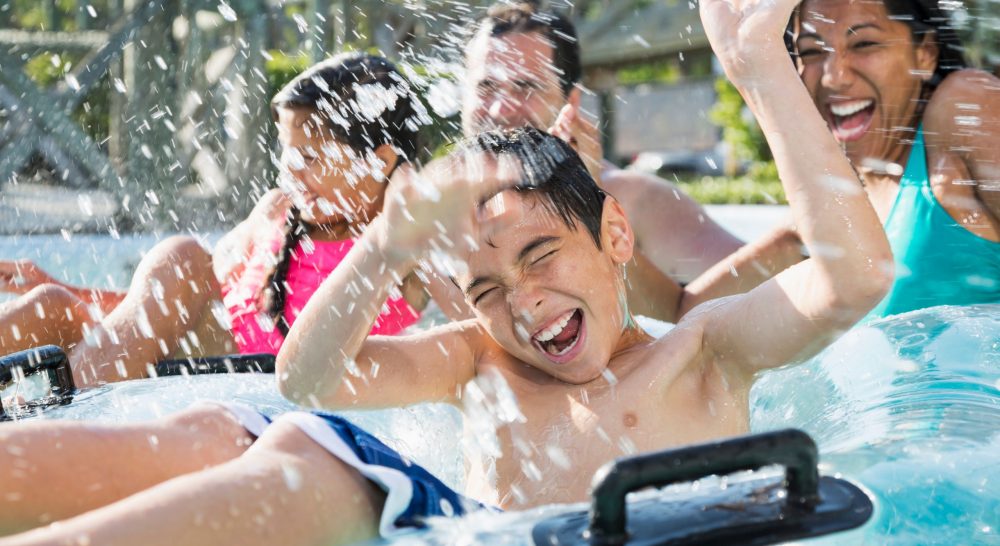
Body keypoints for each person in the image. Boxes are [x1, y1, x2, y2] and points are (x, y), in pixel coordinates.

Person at [0, 26, 895, 538]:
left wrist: (760, 71)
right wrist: (387, 243)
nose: (522, 302)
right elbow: (306, 378)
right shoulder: (480, 359)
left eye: (541, 256)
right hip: (471, 530)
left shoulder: (704, 352)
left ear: (614, 234)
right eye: (486, 287)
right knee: (282, 440)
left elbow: (855, 277)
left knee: (321, 467)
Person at [0, 53, 457, 386]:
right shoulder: (278, 212)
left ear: (379, 161)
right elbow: (156, 311)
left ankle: (63, 431)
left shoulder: (406, 247)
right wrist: (66, 286)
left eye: (312, 158)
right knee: (52, 303)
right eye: (287, 156)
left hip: (253, 388)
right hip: (179, 365)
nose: (291, 172)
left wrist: (404, 188)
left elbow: (474, 321)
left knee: (182, 256)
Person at [460, 2, 807, 322]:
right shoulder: (429, 218)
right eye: (487, 87)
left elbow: (783, 286)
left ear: (571, 101)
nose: (500, 110)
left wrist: (588, 203)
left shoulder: (637, 201)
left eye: (526, 87)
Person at [787, 0, 1000, 316]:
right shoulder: (826, 221)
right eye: (811, 52)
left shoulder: (965, 107)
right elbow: (697, 318)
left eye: (864, 43)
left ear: (924, 53)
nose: (833, 77)